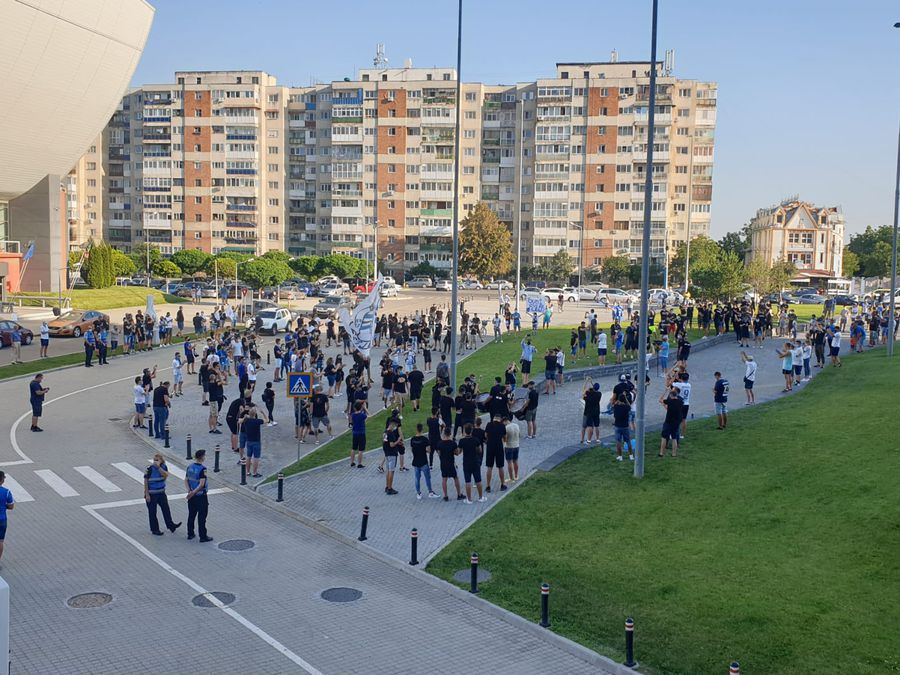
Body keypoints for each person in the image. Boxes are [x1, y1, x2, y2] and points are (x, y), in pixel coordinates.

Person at [144, 453, 182, 536]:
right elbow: (146, 481)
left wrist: (159, 468)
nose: (155, 461)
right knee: (152, 512)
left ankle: (171, 525)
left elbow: (165, 475)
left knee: (166, 509)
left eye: (157, 460)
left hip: (161, 493)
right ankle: (155, 529)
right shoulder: (149, 468)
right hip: (152, 494)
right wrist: (147, 494)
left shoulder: (163, 467)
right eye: (154, 460)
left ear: (161, 460)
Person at [184, 450, 212, 542]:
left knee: (191, 515)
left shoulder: (190, 467)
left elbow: (186, 480)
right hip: (200, 496)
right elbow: (201, 484)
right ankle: (203, 536)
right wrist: (193, 492)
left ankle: (190, 533)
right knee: (202, 517)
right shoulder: (203, 469)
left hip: (192, 496)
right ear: (202, 457)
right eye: (204, 456)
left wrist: (189, 491)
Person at [458, 423, 486, 504]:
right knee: (478, 480)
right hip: (475, 461)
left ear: (464, 431)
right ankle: (480, 497)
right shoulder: (476, 440)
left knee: (468, 481)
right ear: (471, 431)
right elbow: (480, 450)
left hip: (466, 462)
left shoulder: (462, 441)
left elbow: (459, 452)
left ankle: (469, 499)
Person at [410, 424, 439, 499]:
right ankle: (430, 492)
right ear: (422, 430)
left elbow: (411, 450)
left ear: (416, 429)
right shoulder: (425, 439)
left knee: (417, 478)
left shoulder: (412, 439)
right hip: (423, 462)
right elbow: (429, 450)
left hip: (415, 461)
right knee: (427, 478)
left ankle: (418, 493)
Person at [436, 428, 464, 501]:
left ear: (444, 434)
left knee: (444, 479)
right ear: (450, 434)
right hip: (451, 463)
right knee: (455, 478)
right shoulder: (453, 443)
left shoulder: (439, 443)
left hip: (443, 463)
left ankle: (446, 496)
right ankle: (459, 494)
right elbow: (457, 453)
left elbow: (439, 453)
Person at [240, 407, 267, 478]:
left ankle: (248, 472)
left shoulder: (246, 420)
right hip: (256, 441)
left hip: (249, 441)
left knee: (248, 457)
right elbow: (267, 420)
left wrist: (246, 416)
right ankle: (254, 473)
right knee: (256, 457)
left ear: (249, 413)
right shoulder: (257, 421)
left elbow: (240, 421)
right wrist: (263, 413)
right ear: (255, 414)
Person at [483, 415, 507, 493]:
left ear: (494, 419)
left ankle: (488, 486)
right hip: (499, 447)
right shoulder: (502, 426)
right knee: (500, 467)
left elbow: (486, 435)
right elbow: (505, 438)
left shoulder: (489, 424)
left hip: (490, 447)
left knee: (489, 467)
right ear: (500, 419)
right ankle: (502, 484)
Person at [658, 387, 684, 458]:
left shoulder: (669, 401)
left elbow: (660, 400)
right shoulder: (681, 401)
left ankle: (661, 453)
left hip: (668, 421)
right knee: (674, 438)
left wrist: (665, 391)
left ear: (671, 396)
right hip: (676, 422)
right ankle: (674, 454)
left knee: (664, 437)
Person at [382, 419, 402, 495]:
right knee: (391, 471)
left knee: (388, 470)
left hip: (387, 453)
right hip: (392, 454)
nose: (395, 427)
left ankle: (387, 486)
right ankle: (390, 488)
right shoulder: (390, 433)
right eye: (395, 425)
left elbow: (385, 443)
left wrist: (397, 443)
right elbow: (391, 444)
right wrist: (398, 441)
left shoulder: (385, 432)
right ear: (392, 424)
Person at [612, 392, 633, 461]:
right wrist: (625, 398)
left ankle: (620, 456)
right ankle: (631, 456)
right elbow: (630, 406)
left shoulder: (616, 407)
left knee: (618, 441)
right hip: (625, 426)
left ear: (618, 400)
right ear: (624, 400)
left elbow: (613, 404)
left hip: (617, 426)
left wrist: (618, 399)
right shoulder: (626, 407)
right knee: (628, 441)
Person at [0, 471, 14, 563]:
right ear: (1, 480)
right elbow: (11, 506)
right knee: (0, 541)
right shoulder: (7, 492)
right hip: (2, 520)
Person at [672, 372, 692, 439]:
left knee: (676, 419)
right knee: (684, 420)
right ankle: (682, 434)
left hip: (680, 403)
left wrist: (675, 377)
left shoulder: (679, 385)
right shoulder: (689, 385)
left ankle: (675, 433)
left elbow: (671, 383)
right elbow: (683, 382)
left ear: (681, 378)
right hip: (686, 404)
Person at [350, 401, 367, 468]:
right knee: (360, 449)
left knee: (353, 448)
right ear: (361, 407)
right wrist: (365, 408)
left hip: (355, 433)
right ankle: (359, 463)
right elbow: (370, 415)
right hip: (361, 433)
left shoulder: (353, 415)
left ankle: (352, 462)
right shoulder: (362, 415)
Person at [503, 415, 520, 482]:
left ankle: (511, 478)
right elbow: (519, 435)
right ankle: (516, 475)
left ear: (505, 421)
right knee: (515, 461)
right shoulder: (516, 425)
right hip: (516, 445)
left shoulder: (506, 428)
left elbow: (505, 440)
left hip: (509, 446)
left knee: (509, 462)